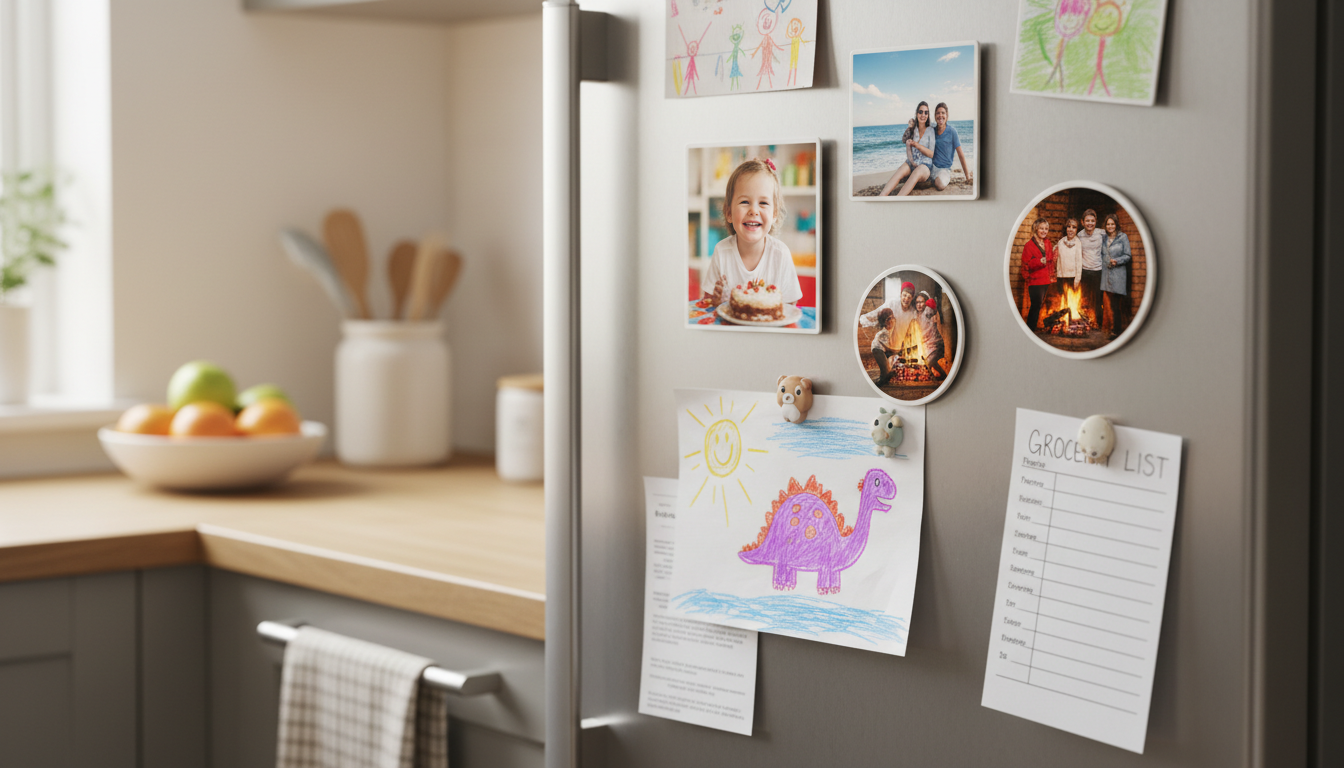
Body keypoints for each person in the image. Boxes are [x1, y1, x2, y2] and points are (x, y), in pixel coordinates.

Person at [700, 158, 803, 312]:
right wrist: (715, 301)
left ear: (774, 213)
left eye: (763, 203)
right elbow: (707, 302)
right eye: (744, 202)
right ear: (729, 213)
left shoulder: (781, 254)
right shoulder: (722, 252)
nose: (753, 210)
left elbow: (790, 307)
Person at [878, 102, 936, 197]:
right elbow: (904, 140)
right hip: (912, 162)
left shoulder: (931, 130)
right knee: (900, 171)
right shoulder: (914, 129)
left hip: (925, 165)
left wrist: (917, 145)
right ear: (917, 114)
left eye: (926, 112)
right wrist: (910, 127)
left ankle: (898, 200)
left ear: (928, 115)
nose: (923, 115)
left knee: (916, 173)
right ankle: (881, 198)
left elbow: (932, 154)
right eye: (920, 112)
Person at [1099, 212, 1132, 339]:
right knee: (1107, 302)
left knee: (1116, 304)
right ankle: (1107, 329)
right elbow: (1101, 254)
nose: (1110, 226)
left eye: (1112, 224)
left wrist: (1117, 260)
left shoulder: (1122, 237)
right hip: (1106, 274)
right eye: (1108, 224)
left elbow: (1128, 255)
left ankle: (1116, 331)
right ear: (1105, 226)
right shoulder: (1103, 238)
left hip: (1118, 275)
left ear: (1116, 225)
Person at [859, 279, 920, 347]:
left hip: (902, 344)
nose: (906, 299)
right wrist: (865, 318)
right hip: (888, 342)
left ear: (912, 298)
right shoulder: (892, 303)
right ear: (900, 294)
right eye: (904, 295)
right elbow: (878, 312)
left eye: (909, 297)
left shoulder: (912, 312)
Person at [929, 103, 973, 192]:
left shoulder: (952, 131)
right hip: (931, 167)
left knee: (940, 185)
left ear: (947, 115)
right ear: (935, 115)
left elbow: (960, 155)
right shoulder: (932, 130)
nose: (940, 115)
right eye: (938, 113)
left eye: (943, 113)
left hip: (944, 170)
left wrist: (967, 176)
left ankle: (932, 181)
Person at [1021, 218, 1055, 330]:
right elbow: (1026, 265)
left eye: (1046, 229)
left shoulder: (1048, 242)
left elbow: (1049, 261)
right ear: (1036, 228)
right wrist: (1039, 262)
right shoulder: (1029, 245)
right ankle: (1030, 329)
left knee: (1038, 305)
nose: (1044, 231)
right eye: (1041, 228)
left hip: (1045, 280)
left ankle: (1032, 328)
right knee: (1035, 306)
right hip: (1035, 281)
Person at [1077, 209, 1104, 324]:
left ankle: (1098, 323)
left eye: (1092, 221)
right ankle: (1083, 323)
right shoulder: (1079, 235)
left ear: (1096, 222)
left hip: (1098, 270)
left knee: (1098, 299)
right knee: (1084, 298)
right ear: (1082, 222)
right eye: (1087, 221)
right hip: (1084, 271)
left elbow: (1114, 235)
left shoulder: (1102, 233)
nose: (1090, 223)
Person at [919, 297, 949, 378]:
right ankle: (942, 376)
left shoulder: (932, 318)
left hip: (937, 346)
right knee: (932, 363)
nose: (929, 312)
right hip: (931, 346)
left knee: (930, 362)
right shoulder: (924, 317)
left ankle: (932, 377)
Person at [870, 307, 900, 386]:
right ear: (884, 322)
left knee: (887, 370)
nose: (892, 320)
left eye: (892, 317)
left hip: (883, 350)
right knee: (885, 372)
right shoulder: (883, 333)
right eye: (889, 319)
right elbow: (889, 349)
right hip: (878, 350)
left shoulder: (889, 331)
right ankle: (879, 383)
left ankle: (884, 377)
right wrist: (899, 351)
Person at [1056, 217, 1083, 293]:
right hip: (1061, 277)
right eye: (1069, 226)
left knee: (1071, 302)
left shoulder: (1078, 243)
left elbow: (1079, 262)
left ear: (1077, 230)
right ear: (1066, 228)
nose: (1071, 229)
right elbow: (1057, 260)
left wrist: (1077, 279)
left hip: (1072, 277)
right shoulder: (1061, 242)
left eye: (1074, 227)